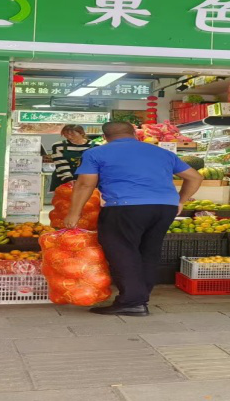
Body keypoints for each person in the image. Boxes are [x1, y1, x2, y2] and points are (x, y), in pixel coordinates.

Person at [65, 121, 203, 316]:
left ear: (105, 138)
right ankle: (140, 298)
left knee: (122, 251)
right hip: (164, 208)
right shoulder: (161, 152)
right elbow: (195, 177)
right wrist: (181, 201)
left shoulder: (96, 153)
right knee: (149, 251)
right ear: (134, 134)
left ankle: (132, 302)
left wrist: (74, 213)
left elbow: (85, 184)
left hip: (124, 207)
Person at [45, 125, 95, 192]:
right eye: (66, 135)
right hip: (63, 178)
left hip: (87, 180)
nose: (69, 137)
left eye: (72, 135)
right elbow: (61, 164)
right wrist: (69, 179)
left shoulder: (95, 146)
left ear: (82, 133)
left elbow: (94, 166)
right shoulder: (58, 146)